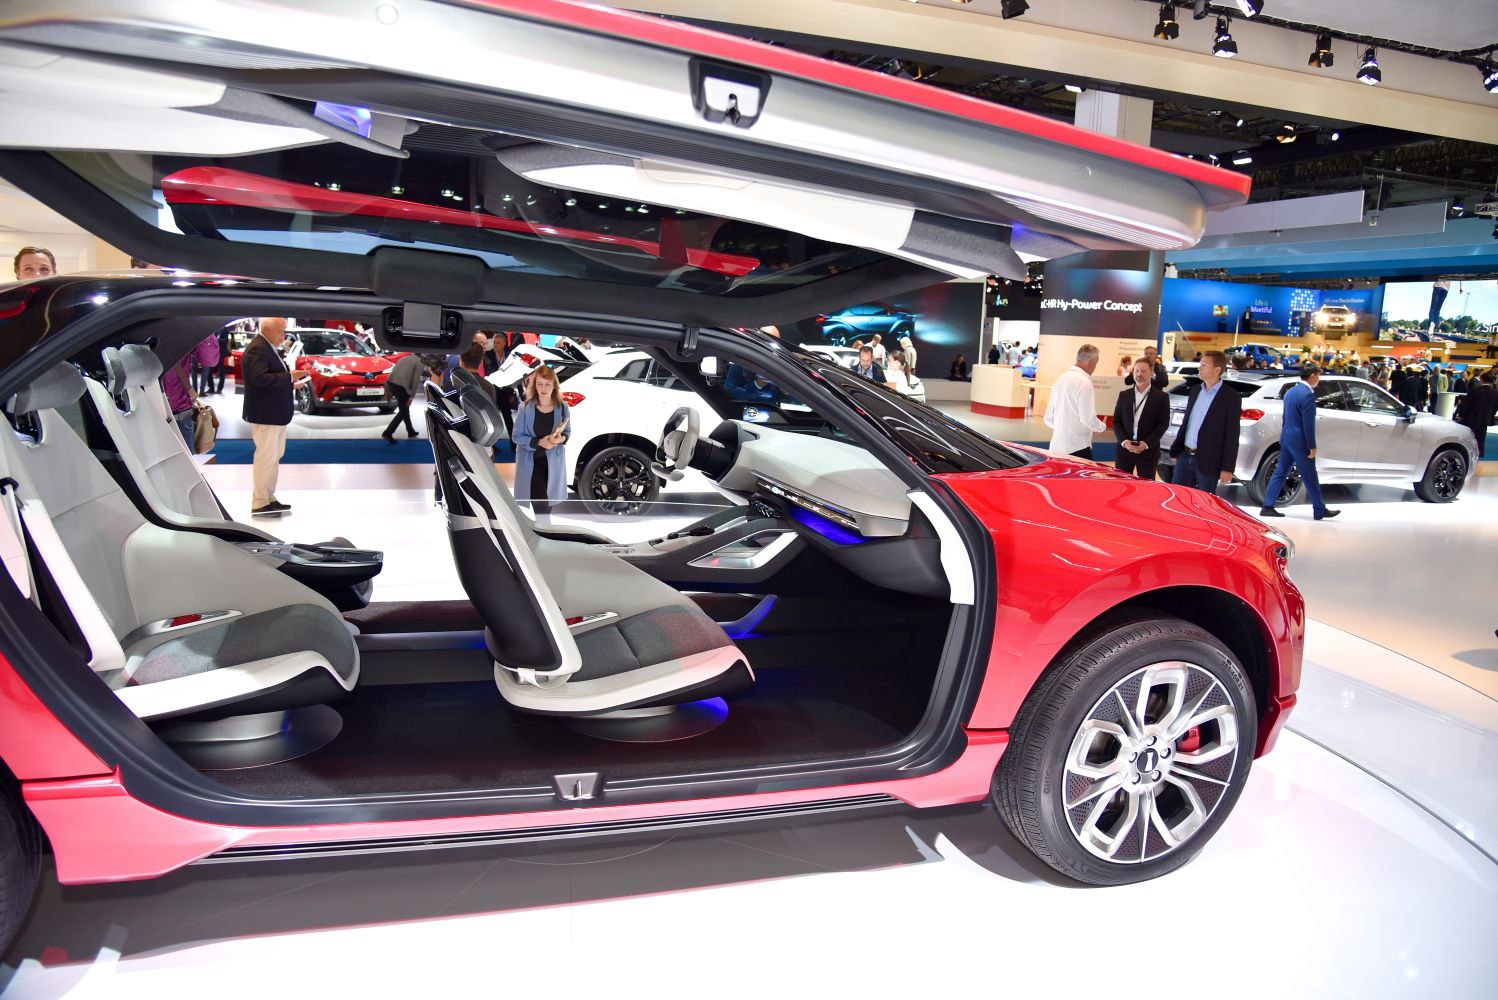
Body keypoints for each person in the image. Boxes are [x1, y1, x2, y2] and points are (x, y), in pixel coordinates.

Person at [242, 317, 308, 517]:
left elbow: (268, 379)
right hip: (266, 414)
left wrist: (290, 384)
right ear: (268, 330)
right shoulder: (258, 349)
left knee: (273, 458)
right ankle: (260, 502)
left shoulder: (266, 347)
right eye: (280, 331)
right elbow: (259, 379)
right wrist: (290, 376)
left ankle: (268, 498)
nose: (283, 336)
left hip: (274, 414)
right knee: (266, 458)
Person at [1259, 364, 1339, 520]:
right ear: (1312, 376)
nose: (1319, 379)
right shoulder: (1307, 394)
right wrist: (1311, 446)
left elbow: (1285, 417)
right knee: (1310, 475)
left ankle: (1267, 506)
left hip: (1287, 437)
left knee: (1281, 471)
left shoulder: (1291, 391)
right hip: (1299, 441)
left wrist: (1284, 436)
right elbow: (1308, 424)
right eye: (1318, 376)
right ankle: (1319, 509)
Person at [1168, 350, 1239, 496]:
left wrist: (1227, 467)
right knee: (1177, 499)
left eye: (1204, 365)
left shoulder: (1231, 397)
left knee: (1204, 502)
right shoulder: (1195, 391)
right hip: (1184, 456)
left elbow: (1232, 435)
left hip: (1209, 461)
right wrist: (1176, 449)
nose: (1199, 368)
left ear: (1217, 370)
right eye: (1200, 364)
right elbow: (1187, 423)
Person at [513, 364, 570, 515]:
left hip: (553, 464)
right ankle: (543, 528)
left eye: (547, 384)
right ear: (534, 385)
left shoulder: (562, 407)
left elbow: (567, 432)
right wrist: (539, 442)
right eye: (539, 384)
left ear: (554, 385)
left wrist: (560, 439)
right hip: (532, 464)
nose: (543, 388)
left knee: (546, 509)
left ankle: (543, 529)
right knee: (542, 510)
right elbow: (516, 436)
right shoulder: (524, 408)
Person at [1044, 343, 1106, 460]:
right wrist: (1101, 427)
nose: (1094, 368)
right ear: (1091, 362)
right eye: (1095, 364)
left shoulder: (1060, 379)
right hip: (1078, 448)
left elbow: (1048, 418)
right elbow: (1087, 418)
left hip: (1055, 448)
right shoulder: (1085, 382)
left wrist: (1064, 428)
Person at [1112, 357, 1169, 480]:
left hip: (1148, 451)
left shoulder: (1161, 397)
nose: (1139, 374)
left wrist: (1146, 444)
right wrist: (1124, 442)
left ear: (1151, 372)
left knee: (1146, 487)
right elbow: (1116, 422)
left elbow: (1163, 424)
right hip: (1125, 450)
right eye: (1136, 371)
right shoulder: (1124, 395)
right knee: (1121, 485)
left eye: (1143, 371)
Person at [161, 334, 219, 449]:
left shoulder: (180, 329)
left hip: (180, 416)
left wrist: (202, 327)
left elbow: (210, 359)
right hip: (143, 415)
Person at [381, 349, 424, 442]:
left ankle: (411, 431)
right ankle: (388, 433)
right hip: (401, 388)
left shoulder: (403, 358)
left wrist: (387, 390)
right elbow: (415, 381)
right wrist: (411, 398)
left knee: (404, 409)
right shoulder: (420, 363)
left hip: (391, 384)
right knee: (403, 411)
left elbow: (391, 374)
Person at [1456, 371, 1497, 460]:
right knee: (1481, 438)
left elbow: (1466, 405)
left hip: (1470, 419)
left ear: (1481, 380)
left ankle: (1466, 454)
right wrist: (1490, 416)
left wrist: (1461, 415)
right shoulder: (1495, 393)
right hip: (1485, 419)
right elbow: (1495, 407)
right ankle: (1479, 454)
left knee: (1468, 437)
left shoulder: (1474, 391)